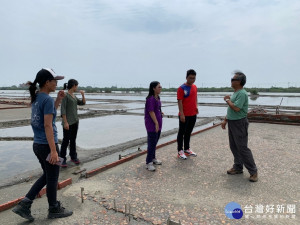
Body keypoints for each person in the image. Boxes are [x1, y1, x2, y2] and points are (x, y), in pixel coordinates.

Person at [12, 68, 73, 221]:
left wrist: (58, 100)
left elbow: (49, 117)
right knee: (52, 178)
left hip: (38, 144)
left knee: (47, 175)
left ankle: (24, 204)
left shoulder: (38, 97)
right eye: (55, 81)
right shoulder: (46, 99)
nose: (57, 83)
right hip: (47, 145)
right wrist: (54, 151)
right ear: (47, 82)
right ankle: (54, 209)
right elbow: (47, 126)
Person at [221, 71, 258, 182]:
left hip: (239, 123)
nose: (231, 81)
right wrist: (225, 120)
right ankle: (238, 167)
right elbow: (231, 110)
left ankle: (253, 171)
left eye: (234, 79)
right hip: (232, 122)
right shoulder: (236, 93)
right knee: (234, 146)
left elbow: (236, 108)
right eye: (232, 79)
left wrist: (227, 100)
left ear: (240, 82)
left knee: (242, 148)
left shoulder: (242, 93)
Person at [60, 79, 86, 167]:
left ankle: (73, 157)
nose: (77, 87)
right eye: (77, 86)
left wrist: (83, 95)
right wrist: (65, 122)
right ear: (74, 85)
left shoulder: (73, 96)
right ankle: (62, 159)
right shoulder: (65, 95)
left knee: (73, 140)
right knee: (65, 141)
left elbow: (82, 103)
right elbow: (63, 109)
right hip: (68, 123)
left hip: (75, 121)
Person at [177, 69, 198, 159]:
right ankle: (180, 150)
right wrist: (182, 114)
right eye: (190, 78)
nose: (192, 80)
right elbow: (180, 101)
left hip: (193, 114)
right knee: (181, 132)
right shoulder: (181, 88)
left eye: (193, 78)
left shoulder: (195, 87)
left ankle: (187, 148)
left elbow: (195, 97)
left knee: (188, 132)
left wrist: (196, 106)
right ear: (186, 77)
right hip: (184, 115)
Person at [144, 81, 163, 171]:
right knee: (151, 143)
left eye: (160, 87)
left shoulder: (157, 98)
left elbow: (157, 108)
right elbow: (151, 111)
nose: (160, 88)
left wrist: (160, 112)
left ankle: (153, 158)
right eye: (159, 87)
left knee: (155, 142)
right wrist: (156, 123)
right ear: (153, 88)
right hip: (152, 124)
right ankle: (149, 162)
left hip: (158, 123)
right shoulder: (150, 99)